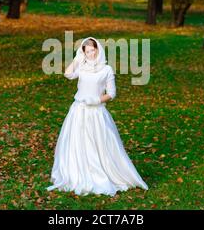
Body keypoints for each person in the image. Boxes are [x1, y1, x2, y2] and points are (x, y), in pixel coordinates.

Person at [46, 36, 149, 196]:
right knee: (78, 142)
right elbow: (68, 74)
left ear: (98, 49)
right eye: (87, 51)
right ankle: (78, 172)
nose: (91, 54)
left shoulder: (106, 69)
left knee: (99, 143)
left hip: (96, 112)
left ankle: (103, 172)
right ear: (84, 53)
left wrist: (95, 100)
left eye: (93, 50)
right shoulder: (82, 66)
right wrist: (77, 58)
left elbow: (112, 93)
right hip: (79, 110)